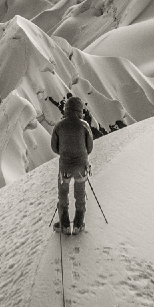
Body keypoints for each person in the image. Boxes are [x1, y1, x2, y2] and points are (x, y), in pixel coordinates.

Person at [51, 96, 94, 233]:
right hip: (81, 166)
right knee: (80, 193)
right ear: (80, 110)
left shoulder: (59, 125)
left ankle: (64, 225)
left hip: (65, 166)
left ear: (66, 109)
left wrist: (65, 153)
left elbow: (54, 148)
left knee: (63, 193)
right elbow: (90, 147)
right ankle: (78, 224)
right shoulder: (84, 125)